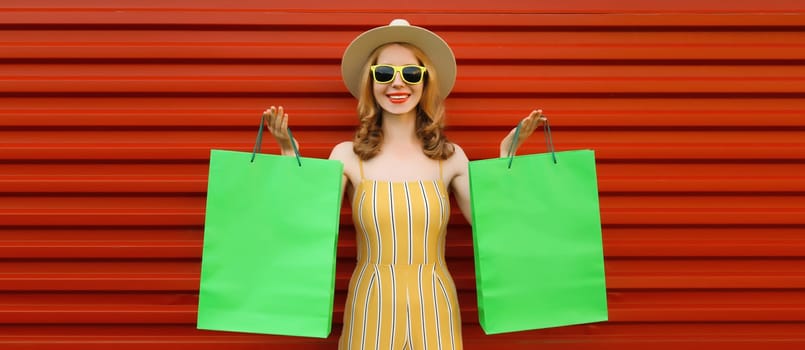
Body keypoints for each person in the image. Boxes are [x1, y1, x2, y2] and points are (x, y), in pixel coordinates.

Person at [264, 19, 545, 350]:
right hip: (371, 303)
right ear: (371, 82)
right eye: (384, 74)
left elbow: (493, 222)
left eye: (411, 74)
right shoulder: (347, 156)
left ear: (425, 82)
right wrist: (287, 152)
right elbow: (306, 222)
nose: (398, 84)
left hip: (435, 305)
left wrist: (505, 159)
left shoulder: (452, 157)